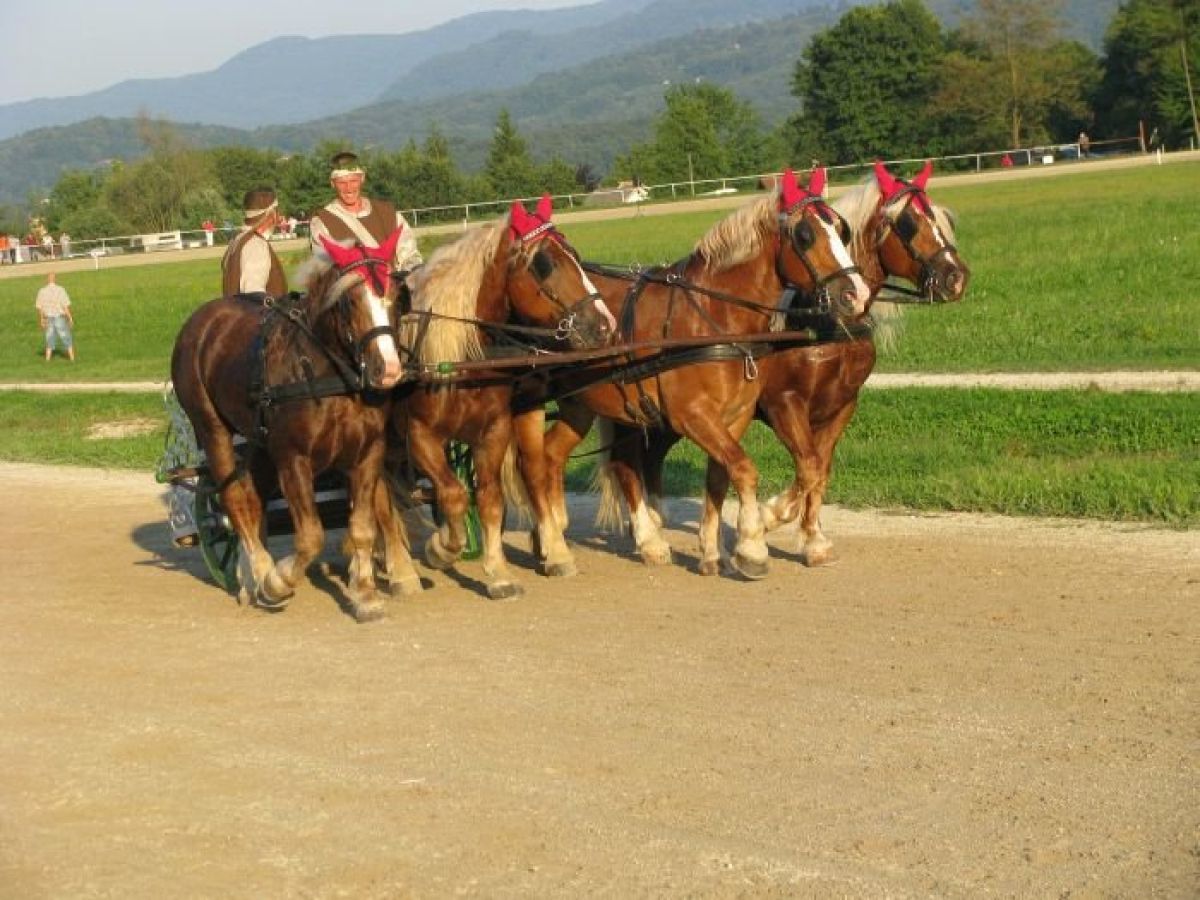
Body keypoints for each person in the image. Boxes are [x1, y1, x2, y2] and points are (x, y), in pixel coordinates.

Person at [309, 151, 422, 273]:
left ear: (362, 179)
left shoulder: (387, 213)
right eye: (342, 183)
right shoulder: (322, 221)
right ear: (333, 184)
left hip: (394, 281)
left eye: (353, 181)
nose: (349, 188)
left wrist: (403, 275)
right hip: (352, 284)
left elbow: (410, 255)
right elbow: (325, 268)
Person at [220, 188, 288, 297]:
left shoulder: (237, 239)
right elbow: (253, 297)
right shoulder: (255, 245)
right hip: (251, 308)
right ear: (271, 214)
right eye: (277, 212)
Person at [35, 272, 75, 361]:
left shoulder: (42, 291)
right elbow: (65, 306)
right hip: (59, 317)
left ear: (47, 279)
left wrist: (41, 319)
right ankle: (72, 358)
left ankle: (47, 359)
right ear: (55, 279)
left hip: (48, 317)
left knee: (49, 338)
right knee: (66, 336)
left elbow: (40, 307)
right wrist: (70, 318)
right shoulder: (60, 290)